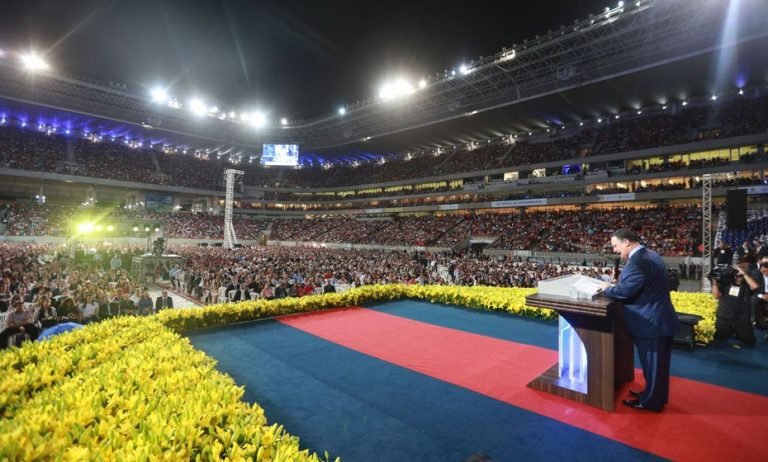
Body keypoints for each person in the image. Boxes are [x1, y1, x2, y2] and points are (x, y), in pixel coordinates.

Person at [599, 229, 679, 412]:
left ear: (626, 242)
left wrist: (607, 288)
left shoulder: (637, 262)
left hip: (650, 322)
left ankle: (651, 402)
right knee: (656, 366)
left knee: (653, 365)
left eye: (615, 245)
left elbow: (624, 291)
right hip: (657, 319)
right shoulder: (650, 254)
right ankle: (653, 395)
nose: (615, 250)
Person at [711, 261, 756, 346]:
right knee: (719, 340)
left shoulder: (747, 284)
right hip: (725, 316)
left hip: (742, 318)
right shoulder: (726, 282)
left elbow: (755, 287)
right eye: (736, 271)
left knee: (749, 341)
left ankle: (738, 333)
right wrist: (714, 282)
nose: (738, 274)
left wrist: (744, 275)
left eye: (742, 270)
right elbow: (716, 296)